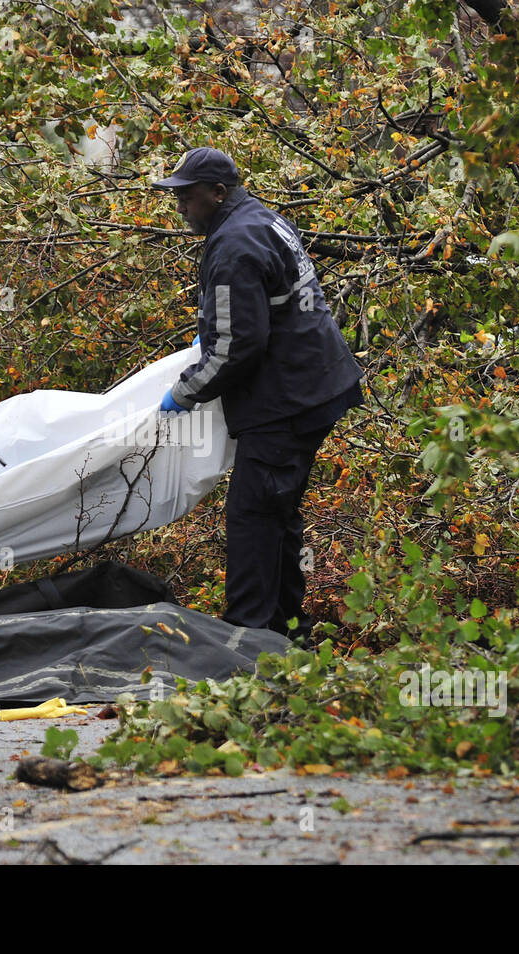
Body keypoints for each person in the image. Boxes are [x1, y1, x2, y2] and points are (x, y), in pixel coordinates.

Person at [153, 147, 363, 639]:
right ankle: (288, 628)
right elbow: (264, 309)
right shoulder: (261, 219)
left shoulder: (233, 247)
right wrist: (213, 328)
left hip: (288, 400)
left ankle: (246, 638)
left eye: (186, 196)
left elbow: (237, 348)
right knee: (277, 512)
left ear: (217, 193)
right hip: (316, 386)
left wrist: (186, 393)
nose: (179, 207)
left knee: (252, 516)